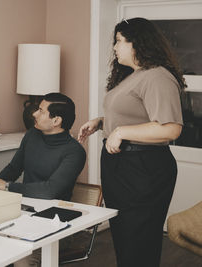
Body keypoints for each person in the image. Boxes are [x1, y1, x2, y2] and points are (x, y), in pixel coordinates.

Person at [78, 17, 185, 267]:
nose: (114, 48)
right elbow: (136, 116)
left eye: (119, 41)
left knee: (139, 241)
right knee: (126, 239)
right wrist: (102, 122)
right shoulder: (133, 75)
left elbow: (170, 128)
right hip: (122, 167)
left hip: (143, 169)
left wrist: (121, 131)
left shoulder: (158, 76)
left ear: (137, 43)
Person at [0, 93, 86, 267]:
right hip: (22, 214)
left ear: (56, 120)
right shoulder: (32, 136)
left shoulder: (74, 152)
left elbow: (50, 190)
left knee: (21, 259)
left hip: (55, 223)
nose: (34, 114)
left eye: (40, 111)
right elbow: (14, 169)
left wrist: (6, 186)